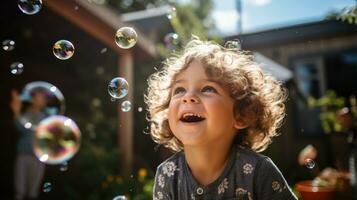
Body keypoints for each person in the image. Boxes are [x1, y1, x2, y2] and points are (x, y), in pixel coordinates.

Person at [145, 38, 298, 199]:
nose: (188, 97)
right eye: (179, 90)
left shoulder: (258, 171)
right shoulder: (167, 175)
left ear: (241, 115)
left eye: (207, 88)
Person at [10, 88, 48, 200]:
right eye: (36, 97)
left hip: (38, 158)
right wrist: (16, 110)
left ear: (45, 102)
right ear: (32, 99)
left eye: (41, 98)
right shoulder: (26, 114)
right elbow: (19, 127)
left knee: (33, 191)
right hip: (23, 155)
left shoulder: (46, 117)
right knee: (19, 190)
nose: (38, 100)